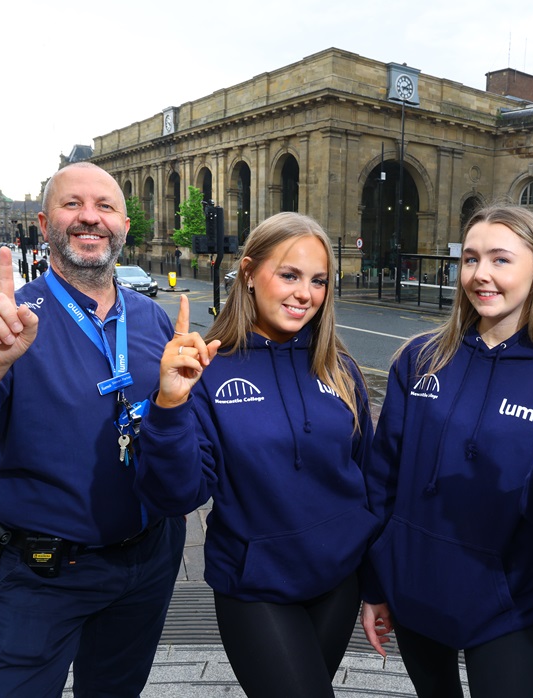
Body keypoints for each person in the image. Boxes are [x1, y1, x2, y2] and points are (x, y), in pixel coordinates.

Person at [0, 162, 185, 697]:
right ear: (44, 220)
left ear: (124, 224)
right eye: (72, 204)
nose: (90, 218)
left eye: (105, 206)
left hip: (148, 561)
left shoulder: (152, 318)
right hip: (40, 577)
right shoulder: (11, 320)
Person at [361, 204, 533, 698]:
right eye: (471, 259)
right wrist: (374, 584)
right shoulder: (420, 358)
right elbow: (381, 480)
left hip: (504, 606)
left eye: (501, 260)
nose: (481, 275)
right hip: (413, 591)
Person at [135, 212, 377, 698]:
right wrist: (170, 405)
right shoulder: (207, 368)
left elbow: (368, 477)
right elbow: (176, 494)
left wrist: (376, 585)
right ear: (247, 273)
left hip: (339, 582)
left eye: (318, 281)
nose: (304, 293)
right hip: (256, 586)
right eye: (288, 275)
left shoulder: (340, 366)